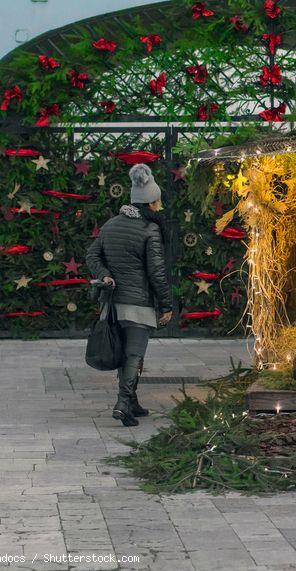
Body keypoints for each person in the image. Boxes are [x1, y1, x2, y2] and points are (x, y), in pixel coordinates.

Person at [86, 163, 173, 427]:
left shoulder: (111, 224)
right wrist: (167, 305)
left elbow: (92, 254)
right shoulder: (150, 230)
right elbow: (157, 271)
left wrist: (104, 275)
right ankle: (123, 404)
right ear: (150, 203)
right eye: (157, 202)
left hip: (112, 304)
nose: (159, 206)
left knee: (126, 353)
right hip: (137, 303)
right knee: (134, 354)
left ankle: (132, 401)